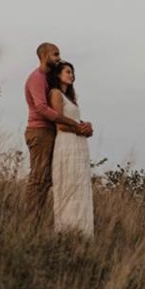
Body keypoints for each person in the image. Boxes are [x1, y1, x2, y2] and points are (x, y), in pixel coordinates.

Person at [23, 43, 92, 224]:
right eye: (55, 54)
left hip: (51, 132)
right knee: (38, 178)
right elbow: (43, 109)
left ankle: (39, 220)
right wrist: (75, 125)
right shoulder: (36, 78)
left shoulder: (49, 79)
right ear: (44, 55)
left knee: (49, 179)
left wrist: (82, 126)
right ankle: (29, 222)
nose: (58, 58)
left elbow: (63, 111)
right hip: (39, 131)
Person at [47, 61, 95, 235]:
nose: (72, 75)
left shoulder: (71, 99)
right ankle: (67, 230)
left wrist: (86, 127)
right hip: (67, 142)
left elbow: (74, 121)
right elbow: (59, 124)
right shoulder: (55, 94)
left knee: (80, 186)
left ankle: (82, 232)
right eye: (68, 72)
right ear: (58, 75)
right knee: (69, 184)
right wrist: (79, 128)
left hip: (78, 144)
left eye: (73, 72)